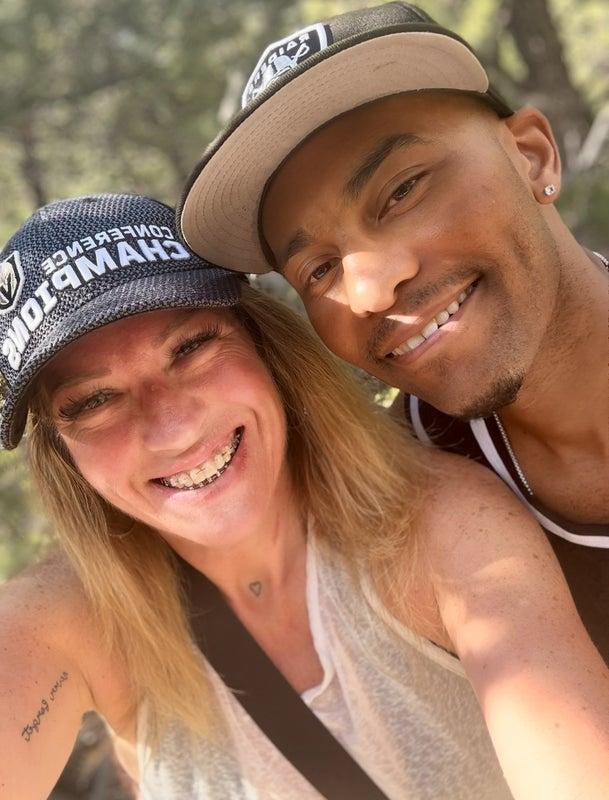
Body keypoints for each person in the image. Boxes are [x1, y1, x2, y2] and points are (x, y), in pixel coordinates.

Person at [1, 192, 608, 800]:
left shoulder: (443, 527)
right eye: (93, 401)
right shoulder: (68, 619)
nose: (173, 429)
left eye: (191, 347)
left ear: (264, 345)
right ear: (63, 453)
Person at [177, 1, 609, 665]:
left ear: (532, 156)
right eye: (318, 269)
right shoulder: (397, 508)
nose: (369, 290)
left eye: (402, 191)